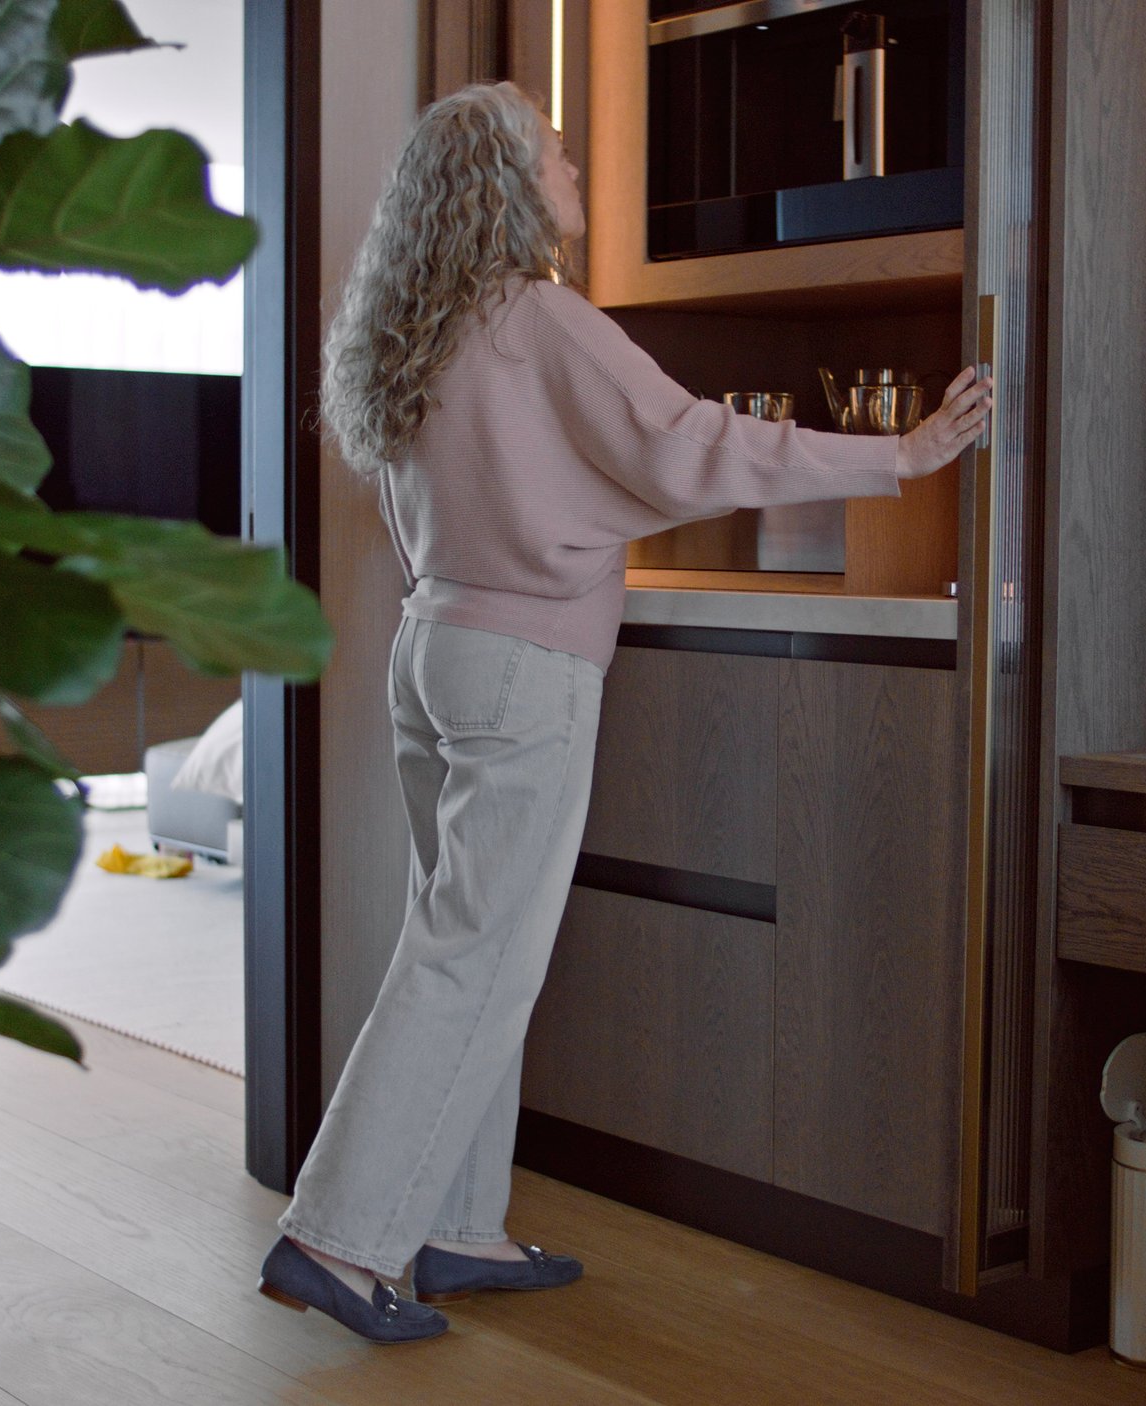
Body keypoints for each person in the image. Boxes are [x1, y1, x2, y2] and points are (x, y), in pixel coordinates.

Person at [257, 80, 993, 1344]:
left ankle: (457, 1224)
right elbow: (693, 444)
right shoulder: (540, 318)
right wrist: (903, 454)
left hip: (433, 653)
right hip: (521, 670)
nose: (574, 165)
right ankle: (334, 1235)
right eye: (553, 150)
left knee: (467, 949)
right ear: (504, 186)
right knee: (474, 960)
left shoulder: (416, 330)